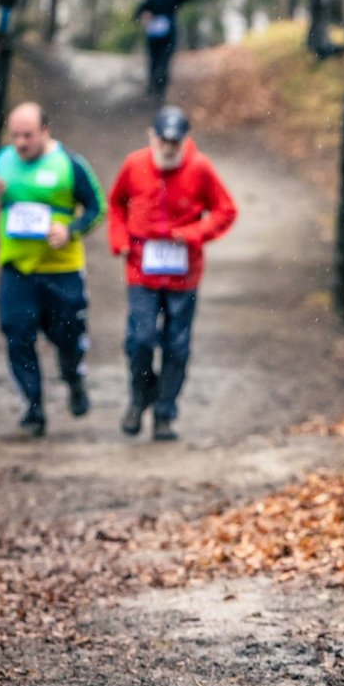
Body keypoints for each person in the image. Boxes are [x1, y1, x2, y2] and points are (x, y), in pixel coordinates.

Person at [0, 103, 106, 438]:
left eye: (27, 135)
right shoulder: (1, 160)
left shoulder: (69, 164)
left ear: (45, 130)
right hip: (17, 268)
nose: (20, 143)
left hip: (62, 270)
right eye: (15, 135)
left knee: (67, 335)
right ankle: (33, 408)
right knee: (17, 334)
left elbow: (97, 209)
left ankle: (73, 379)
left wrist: (70, 230)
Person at [106, 106, 237, 442]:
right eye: (163, 141)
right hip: (141, 269)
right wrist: (119, 240)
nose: (168, 148)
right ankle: (140, 396)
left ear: (185, 140)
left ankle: (165, 414)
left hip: (184, 273)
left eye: (174, 143)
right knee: (140, 339)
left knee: (177, 346)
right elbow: (116, 203)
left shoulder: (200, 168)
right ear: (152, 137)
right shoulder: (134, 164)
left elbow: (225, 210)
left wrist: (195, 233)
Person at [134, 0, 194, 100]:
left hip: (165, 35)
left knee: (161, 62)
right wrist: (144, 15)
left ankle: (158, 89)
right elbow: (139, 11)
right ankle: (155, 88)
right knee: (157, 61)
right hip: (157, 36)